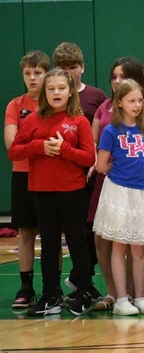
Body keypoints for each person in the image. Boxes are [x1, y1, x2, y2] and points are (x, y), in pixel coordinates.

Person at [9, 68, 97, 316]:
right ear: (44, 93)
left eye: (61, 88)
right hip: (42, 193)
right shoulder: (32, 120)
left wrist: (64, 150)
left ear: (70, 92)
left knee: (78, 243)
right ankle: (51, 295)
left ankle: (84, 291)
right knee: (48, 245)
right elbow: (15, 151)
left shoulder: (79, 121)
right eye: (51, 88)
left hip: (72, 192)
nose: (56, 92)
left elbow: (89, 157)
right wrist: (39, 147)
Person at [93, 79, 144, 316]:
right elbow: (101, 166)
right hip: (118, 192)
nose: (137, 105)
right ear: (119, 103)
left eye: (140, 100)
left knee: (139, 249)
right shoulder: (111, 131)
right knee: (119, 247)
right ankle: (121, 299)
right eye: (131, 101)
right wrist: (118, 169)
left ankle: (139, 297)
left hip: (140, 193)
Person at [53, 42, 107, 297]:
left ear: (82, 67)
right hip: (64, 173)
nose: (69, 72)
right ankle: (80, 280)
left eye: (73, 67)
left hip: (94, 171)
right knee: (72, 230)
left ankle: (82, 278)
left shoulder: (96, 96)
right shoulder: (52, 97)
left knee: (92, 228)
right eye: (63, 68)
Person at [5, 51, 49, 309]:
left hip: (50, 176)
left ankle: (51, 288)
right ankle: (26, 286)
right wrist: (42, 146)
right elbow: (12, 144)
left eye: (37, 73)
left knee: (51, 234)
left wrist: (30, 144)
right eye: (27, 74)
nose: (32, 78)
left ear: (46, 73)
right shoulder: (15, 105)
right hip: (22, 174)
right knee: (25, 232)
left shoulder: (55, 103)